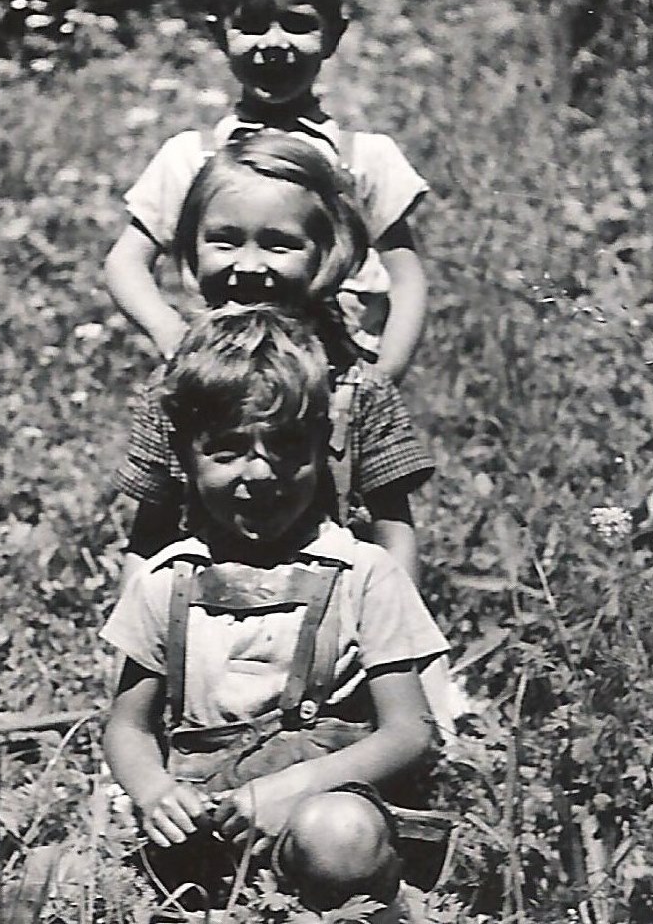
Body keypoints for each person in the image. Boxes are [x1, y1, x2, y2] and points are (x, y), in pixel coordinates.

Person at [100, 305, 448, 924]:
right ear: (185, 459)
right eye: (228, 450)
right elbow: (128, 726)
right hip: (206, 823)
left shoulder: (363, 573)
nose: (260, 473)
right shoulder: (165, 580)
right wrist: (152, 790)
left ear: (322, 449)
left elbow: (409, 733)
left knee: (339, 835)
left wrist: (296, 787)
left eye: (286, 447)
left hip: (320, 806)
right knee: (69, 879)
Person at [104, 0, 429, 382]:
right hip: (224, 382)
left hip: (340, 385)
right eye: (251, 25)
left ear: (333, 35)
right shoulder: (190, 157)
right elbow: (126, 261)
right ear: (220, 35)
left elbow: (407, 280)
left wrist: (382, 378)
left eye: (297, 24)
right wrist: (171, 335)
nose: (273, 44)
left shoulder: (365, 159)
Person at [114, 131, 433, 588]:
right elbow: (150, 533)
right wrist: (136, 627)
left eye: (278, 244)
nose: (248, 265)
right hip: (207, 615)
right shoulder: (177, 387)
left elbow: (393, 530)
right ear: (190, 249)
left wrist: (398, 623)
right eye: (224, 241)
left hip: (337, 618)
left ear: (328, 255)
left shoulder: (358, 389)